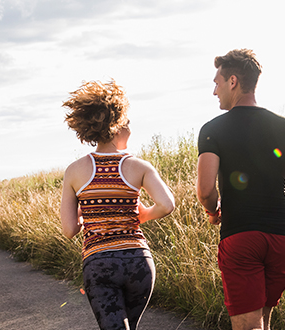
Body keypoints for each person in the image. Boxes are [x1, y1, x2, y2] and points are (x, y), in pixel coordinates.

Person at [195, 49, 285, 330]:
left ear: (232, 81)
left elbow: (205, 190)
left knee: (248, 325)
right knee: (264, 322)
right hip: (281, 237)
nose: (214, 91)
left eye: (217, 82)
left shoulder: (213, 130)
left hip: (241, 237)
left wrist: (212, 210)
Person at [59, 79, 176, 330]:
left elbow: (69, 230)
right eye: (128, 123)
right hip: (139, 261)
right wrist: (145, 214)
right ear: (118, 124)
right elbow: (167, 205)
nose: (131, 129)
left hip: (99, 264)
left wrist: (86, 213)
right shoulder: (139, 166)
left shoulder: (75, 171)